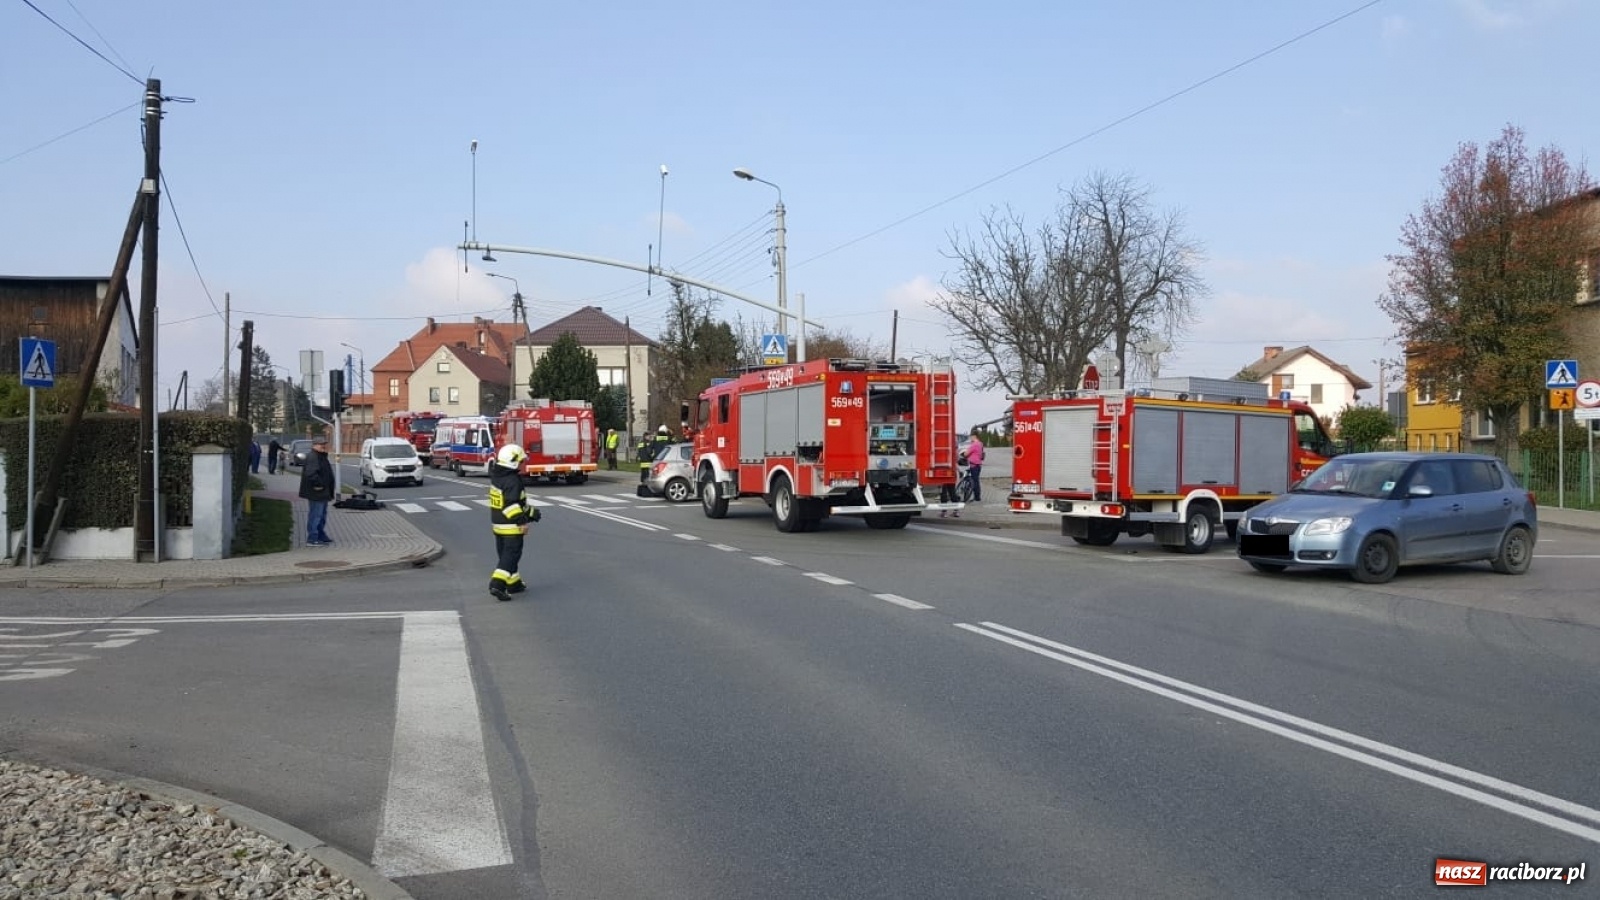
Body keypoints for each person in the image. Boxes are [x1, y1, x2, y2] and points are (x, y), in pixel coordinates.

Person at [488, 443, 539, 601]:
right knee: (511, 555)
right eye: (521, 461)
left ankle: (513, 583)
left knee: (506, 555)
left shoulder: (498, 477)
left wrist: (531, 513)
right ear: (513, 461)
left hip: (498, 525)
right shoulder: (512, 480)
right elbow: (512, 506)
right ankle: (497, 585)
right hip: (511, 527)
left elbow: (507, 502)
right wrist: (523, 522)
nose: (522, 464)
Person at [298, 436, 335, 546]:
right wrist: (319, 484)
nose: (323, 446)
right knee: (316, 515)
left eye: (324, 444)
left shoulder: (321, 456)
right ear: (314, 445)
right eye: (320, 444)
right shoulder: (313, 457)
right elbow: (311, 474)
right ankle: (312, 538)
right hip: (317, 491)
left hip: (323, 491)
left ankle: (320, 535)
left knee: (321, 515)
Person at [964, 434, 985, 502]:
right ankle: (976, 496)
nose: (970, 439)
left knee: (975, 481)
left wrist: (965, 453)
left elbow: (966, 454)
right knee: (976, 480)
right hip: (978, 464)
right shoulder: (980, 444)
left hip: (973, 464)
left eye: (971, 437)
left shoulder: (974, 445)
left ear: (974, 437)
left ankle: (977, 497)